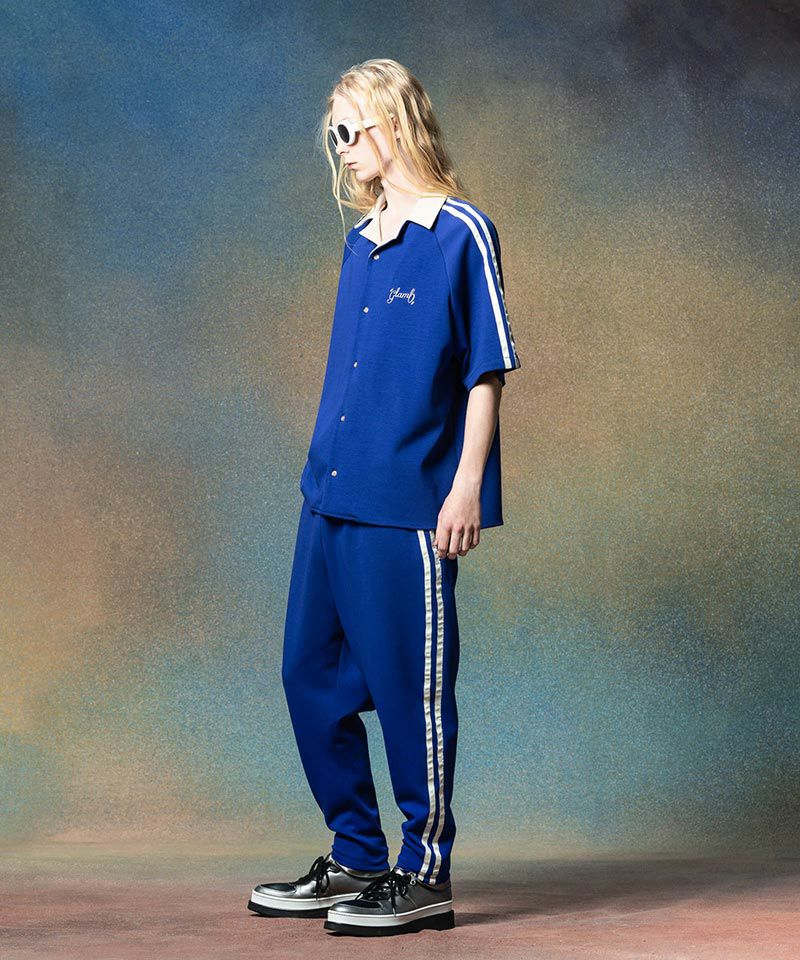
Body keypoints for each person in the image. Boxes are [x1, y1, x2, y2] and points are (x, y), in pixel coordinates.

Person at [247, 58, 521, 937]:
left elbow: (485, 371)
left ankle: (425, 871)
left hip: (409, 506)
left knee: (411, 692)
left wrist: (466, 485)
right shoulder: (361, 241)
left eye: (347, 129)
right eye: (332, 133)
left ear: (392, 124)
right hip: (329, 494)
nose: (339, 148)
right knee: (309, 676)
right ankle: (357, 855)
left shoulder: (460, 233)